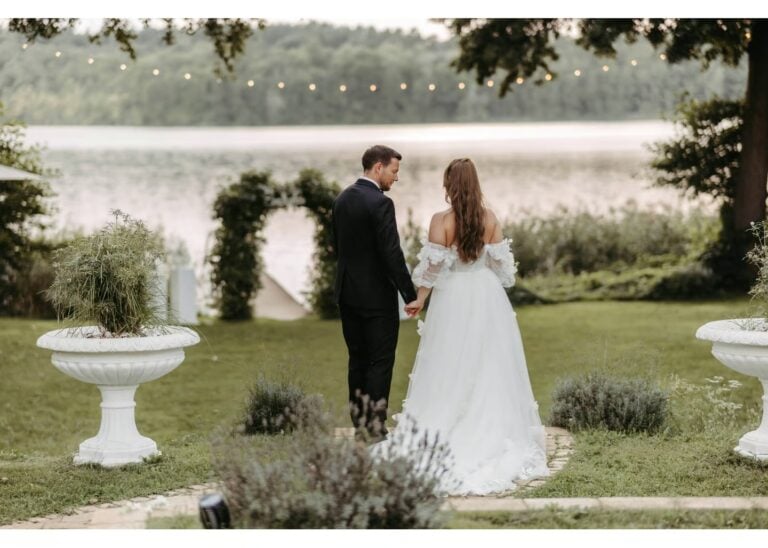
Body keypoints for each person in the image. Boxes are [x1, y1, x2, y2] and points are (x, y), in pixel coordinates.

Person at [396, 157, 550, 495]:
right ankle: (491, 429)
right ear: (475, 184)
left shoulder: (440, 221)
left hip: (453, 297)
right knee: (488, 363)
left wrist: (419, 300)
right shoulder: (490, 219)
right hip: (485, 294)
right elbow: (504, 272)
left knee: (450, 360)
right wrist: (483, 265)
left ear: (450, 185)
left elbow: (432, 270)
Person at [332, 145, 419, 439]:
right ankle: (375, 427)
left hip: (346, 294)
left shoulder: (342, 199)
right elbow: (391, 254)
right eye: (394, 171)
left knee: (357, 359)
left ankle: (360, 425)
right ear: (378, 168)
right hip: (376, 298)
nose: (396, 178)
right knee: (380, 360)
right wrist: (411, 295)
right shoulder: (380, 203)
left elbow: (338, 248)